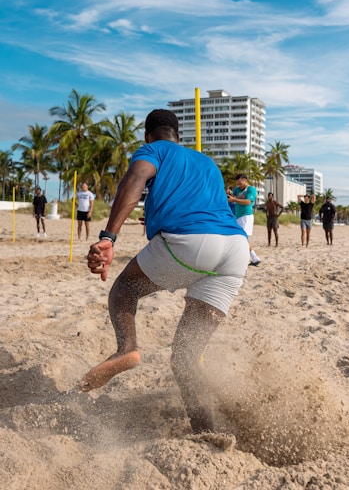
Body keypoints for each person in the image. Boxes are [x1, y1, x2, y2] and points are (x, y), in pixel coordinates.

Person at [79, 109, 250, 435]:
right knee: (186, 357)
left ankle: (127, 349)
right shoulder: (207, 163)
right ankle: (207, 432)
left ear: (148, 136)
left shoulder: (152, 151)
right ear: (179, 136)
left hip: (191, 241)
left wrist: (108, 236)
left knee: (125, 289)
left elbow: (135, 179)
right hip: (235, 250)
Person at [228, 174, 261, 266]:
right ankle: (254, 258)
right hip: (238, 217)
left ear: (245, 180)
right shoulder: (237, 189)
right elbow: (231, 194)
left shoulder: (251, 189)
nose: (239, 186)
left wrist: (235, 199)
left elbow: (247, 202)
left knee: (242, 238)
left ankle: (251, 258)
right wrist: (228, 193)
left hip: (246, 216)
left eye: (240, 183)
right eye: (237, 184)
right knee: (239, 237)